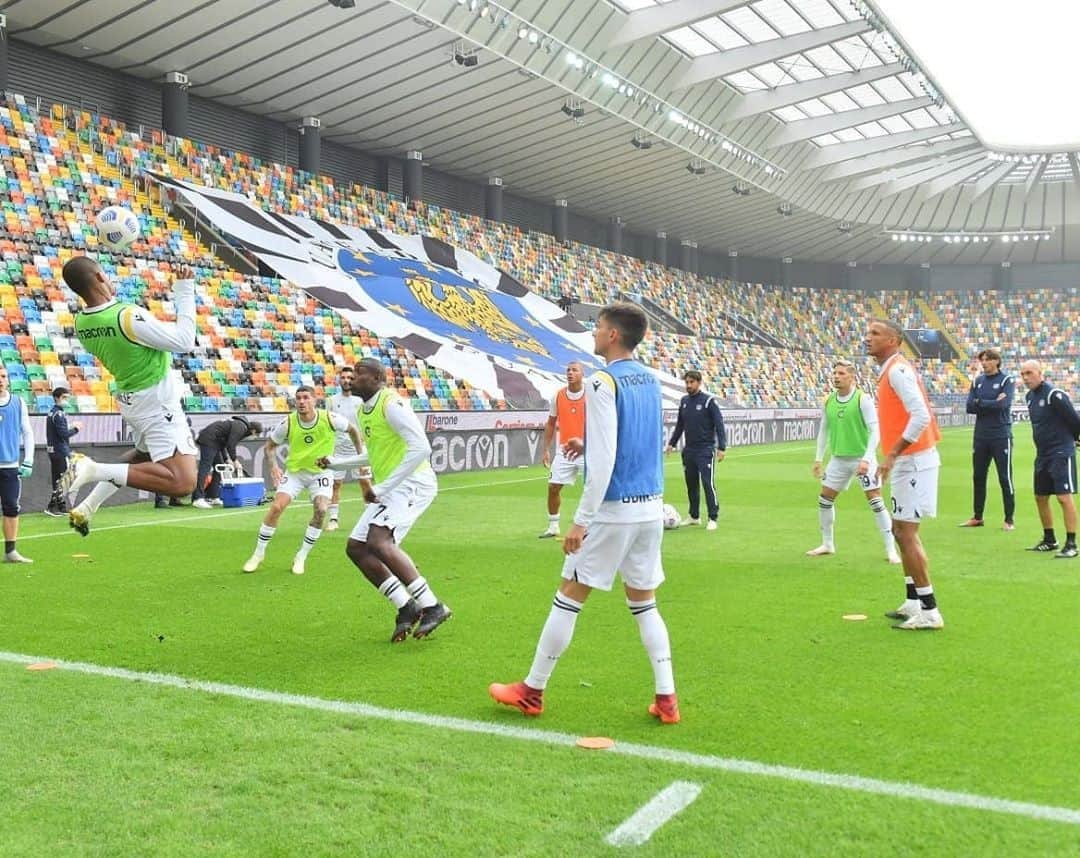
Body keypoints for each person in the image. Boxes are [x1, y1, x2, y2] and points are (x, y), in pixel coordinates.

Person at [490, 302, 679, 723]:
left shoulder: (601, 381)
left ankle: (532, 691)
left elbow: (609, 457)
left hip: (613, 510)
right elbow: (640, 437)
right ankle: (667, 699)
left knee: (568, 595)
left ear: (613, 335)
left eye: (598, 327)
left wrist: (581, 520)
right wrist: (589, 443)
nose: (593, 333)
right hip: (650, 508)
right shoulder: (651, 379)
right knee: (645, 604)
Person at [58, 256, 199, 536]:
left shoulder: (82, 323)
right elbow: (184, 341)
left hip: (131, 401)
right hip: (157, 402)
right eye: (105, 274)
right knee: (183, 483)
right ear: (99, 277)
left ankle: (86, 507)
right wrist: (184, 289)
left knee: (139, 458)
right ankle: (92, 469)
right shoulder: (127, 315)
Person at [320, 358, 451, 642]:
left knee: (379, 542)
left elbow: (421, 448)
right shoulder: (364, 409)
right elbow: (376, 453)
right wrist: (337, 463)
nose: (352, 378)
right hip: (393, 487)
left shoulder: (391, 404)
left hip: (414, 483)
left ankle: (433, 605)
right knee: (356, 547)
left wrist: (382, 488)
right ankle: (406, 606)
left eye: (359, 373)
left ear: (378, 377)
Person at [867, 319, 944, 631]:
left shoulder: (897, 371)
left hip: (914, 461)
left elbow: (922, 416)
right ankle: (913, 600)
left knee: (907, 534)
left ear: (894, 340)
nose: (868, 338)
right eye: (868, 333)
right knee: (901, 531)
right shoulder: (890, 369)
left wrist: (892, 454)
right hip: (909, 461)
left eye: (876, 333)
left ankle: (930, 610)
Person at [242, 385, 361, 576]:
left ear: (315, 400)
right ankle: (258, 554)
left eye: (306, 398)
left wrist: (360, 456)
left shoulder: (329, 418)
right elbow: (270, 446)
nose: (302, 402)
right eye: (298, 398)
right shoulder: (288, 422)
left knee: (321, 510)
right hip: (296, 472)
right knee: (276, 507)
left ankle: (301, 556)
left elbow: (353, 430)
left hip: (322, 473)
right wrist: (273, 467)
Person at [806, 359, 900, 564]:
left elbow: (875, 431)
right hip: (839, 459)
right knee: (824, 499)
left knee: (875, 501)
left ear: (852, 377)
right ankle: (828, 544)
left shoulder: (861, 399)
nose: (836, 377)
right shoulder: (829, 400)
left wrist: (867, 459)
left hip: (861, 458)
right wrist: (818, 458)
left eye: (841, 374)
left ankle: (891, 549)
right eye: (835, 373)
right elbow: (824, 430)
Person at [1019, 360, 1080, 558]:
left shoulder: (1055, 394)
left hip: (1061, 452)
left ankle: (1071, 544)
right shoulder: (1029, 397)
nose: (1025, 378)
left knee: (1063, 497)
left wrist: (1076, 439)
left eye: (1029, 373)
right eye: (1023, 374)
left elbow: (1074, 419)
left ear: (1040, 372)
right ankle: (1049, 539)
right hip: (1042, 454)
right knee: (1040, 497)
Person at [960, 348, 1016, 530]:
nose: (983, 363)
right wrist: (990, 403)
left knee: (1004, 478)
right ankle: (977, 517)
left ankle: (1009, 520)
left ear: (996, 361)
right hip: (981, 436)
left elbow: (1003, 405)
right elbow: (969, 406)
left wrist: (980, 403)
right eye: (981, 360)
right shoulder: (978, 381)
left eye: (987, 360)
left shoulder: (1006, 380)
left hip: (1001, 435)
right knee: (978, 476)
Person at [665, 369, 726, 530]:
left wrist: (722, 447)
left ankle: (713, 518)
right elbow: (680, 425)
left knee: (707, 483)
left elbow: (719, 424)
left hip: (705, 450)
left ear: (699, 383)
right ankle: (694, 516)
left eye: (692, 382)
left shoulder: (709, 401)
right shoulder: (684, 401)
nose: (689, 385)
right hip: (689, 450)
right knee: (691, 484)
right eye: (687, 382)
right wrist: (672, 443)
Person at [538, 361, 585, 538]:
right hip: (564, 450)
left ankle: (595, 526)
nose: (570, 373)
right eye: (568, 370)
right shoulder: (557, 396)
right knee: (553, 487)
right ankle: (553, 526)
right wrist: (546, 449)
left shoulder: (591, 394)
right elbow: (551, 423)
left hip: (586, 450)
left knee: (595, 488)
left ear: (582, 374)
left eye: (575, 370)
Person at [191, 416, 263, 509]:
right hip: (208, 439)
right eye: (256, 434)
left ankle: (212, 496)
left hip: (215, 441)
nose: (255, 437)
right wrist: (235, 460)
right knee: (205, 467)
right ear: (253, 431)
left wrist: (226, 459)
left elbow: (223, 443)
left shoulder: (240, 427)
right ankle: (198, 498)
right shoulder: (241, 427)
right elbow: (230, 444)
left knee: (221, 468)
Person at [0, 365, 34, 563]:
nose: (1, 380)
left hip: (10, 466)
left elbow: (27, 432)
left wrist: (28, 460)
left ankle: (11, 551)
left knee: (11, 507)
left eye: (3, 376)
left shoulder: (19, 402)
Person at [326, 365, 363, 531]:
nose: (347, 381)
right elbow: (327, 425)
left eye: (350, 378)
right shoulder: (332, 401)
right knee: (336, 484)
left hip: (359, 449)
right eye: (344, 378)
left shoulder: (361, 400)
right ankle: (333, 519)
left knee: (365, 483)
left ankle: (368, 519)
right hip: (339, 450)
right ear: (339, 380)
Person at [45, 387, 81, 517]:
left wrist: (70, 427)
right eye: (64, 397)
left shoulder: (52, 413)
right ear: (57, 398)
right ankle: (53, 506)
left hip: (53, 450)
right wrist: (76, 429)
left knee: (59, 478)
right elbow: (63, 434)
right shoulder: (58, 414)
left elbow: (58, 431)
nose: (67, 400)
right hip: (60, 450)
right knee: (62, 478)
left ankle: (59, 505)